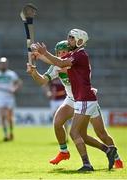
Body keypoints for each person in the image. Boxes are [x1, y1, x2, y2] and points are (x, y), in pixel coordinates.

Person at [30, 29, 123, 171]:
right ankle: (82, 154)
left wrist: (43, 53)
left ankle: (108, 158)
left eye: (71, 39)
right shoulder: (70, 56)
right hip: (76, 99)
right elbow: (55, 66)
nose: (69, 42)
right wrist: (35, 68)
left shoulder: (79, 56)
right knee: (80, 134)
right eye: (59, 51)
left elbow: (62, 64)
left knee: (97, 133)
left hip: (85, 98)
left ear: (79, 41)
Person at [0, 57, 22, 141]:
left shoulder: (11, 74)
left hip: (10, 98)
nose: (2, 65)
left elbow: (18, 83)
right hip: (0, 98)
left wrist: (15, 89)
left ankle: (11, 132)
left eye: (4, 63)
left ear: (6, 64)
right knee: (2, 117)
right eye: (1, 63)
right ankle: (5, 134)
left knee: (9, 118)